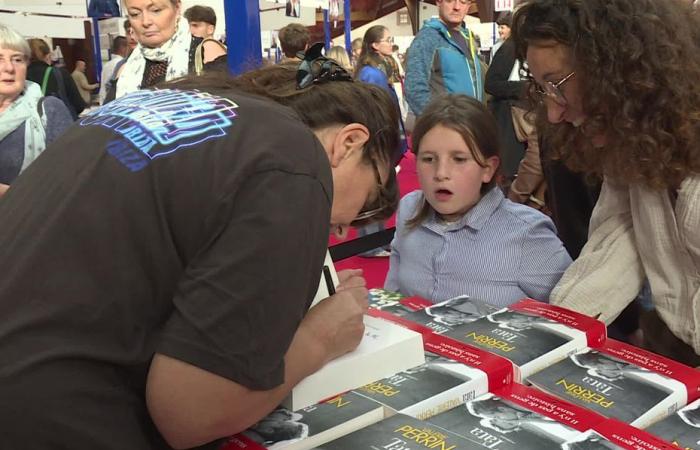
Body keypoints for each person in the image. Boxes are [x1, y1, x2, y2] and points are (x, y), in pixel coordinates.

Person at [0, 46, 401, 449]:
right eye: (368, 197)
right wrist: (322, 337)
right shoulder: (293, 161)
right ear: (349, 143)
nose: (346, 230)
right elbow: (192, 412)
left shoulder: (169, 102)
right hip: (54, 419)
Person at [512, 0, 700, 366]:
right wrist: (556, 336)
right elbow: (617, 236)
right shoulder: (633, 141)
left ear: (621, 68)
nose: (554, 112)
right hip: (673, 346)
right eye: (542, 90)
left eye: (557, 85)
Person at [385, 94, 571, 307]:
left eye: (459, 159)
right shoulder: (409, 208)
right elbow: (394, 296)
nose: (441, 173)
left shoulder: (527, 233)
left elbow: (574, 316)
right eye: (428, 159)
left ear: (488, 169)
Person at [0, 24, 73, 197]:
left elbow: (71, 183)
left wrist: (10, 194)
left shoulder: (50, 110)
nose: (9, 68)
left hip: (24, 220)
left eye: (17, 59)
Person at [354, 25, 407, 258]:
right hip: (378, 136)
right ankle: (369, 243)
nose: (391, 43)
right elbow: (374, 110)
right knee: (373, 189)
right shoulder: (371, 73)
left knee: (382, 188)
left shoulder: (380, 68)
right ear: (375, 45)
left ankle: (377, 240)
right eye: (388, 39)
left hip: (385, 134)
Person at [110, 0, 227, 100]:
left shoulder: (206, 53)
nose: (145, 22)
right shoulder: (126, 71)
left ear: (177, 8)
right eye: (135, 14)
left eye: (156, 10)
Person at [404, 0, 483, 116]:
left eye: (463, 2)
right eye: (450, 1)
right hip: (446, 127)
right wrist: (438, 122)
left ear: (469, 6)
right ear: (439, 2)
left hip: (471, 123)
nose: (457, 7)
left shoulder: (468, 38)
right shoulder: (428, 38)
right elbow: (414, 88)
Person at [484, 12, 528, 180]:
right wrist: (524, 88)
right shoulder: (511, 48)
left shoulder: (529, 48)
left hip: (524, 122)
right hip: (509, 122)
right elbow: (491, 84)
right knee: (510, 174)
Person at [26, 38, 85, 118]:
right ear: (48, 56)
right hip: (60, 124)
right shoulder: (60, 74)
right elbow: (79, 106)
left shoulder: (18, 77)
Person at [99, 36, 128, 104]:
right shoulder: (122, 64)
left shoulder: (107, 65)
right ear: (122, 48)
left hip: (105, 102)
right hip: (116, 103)